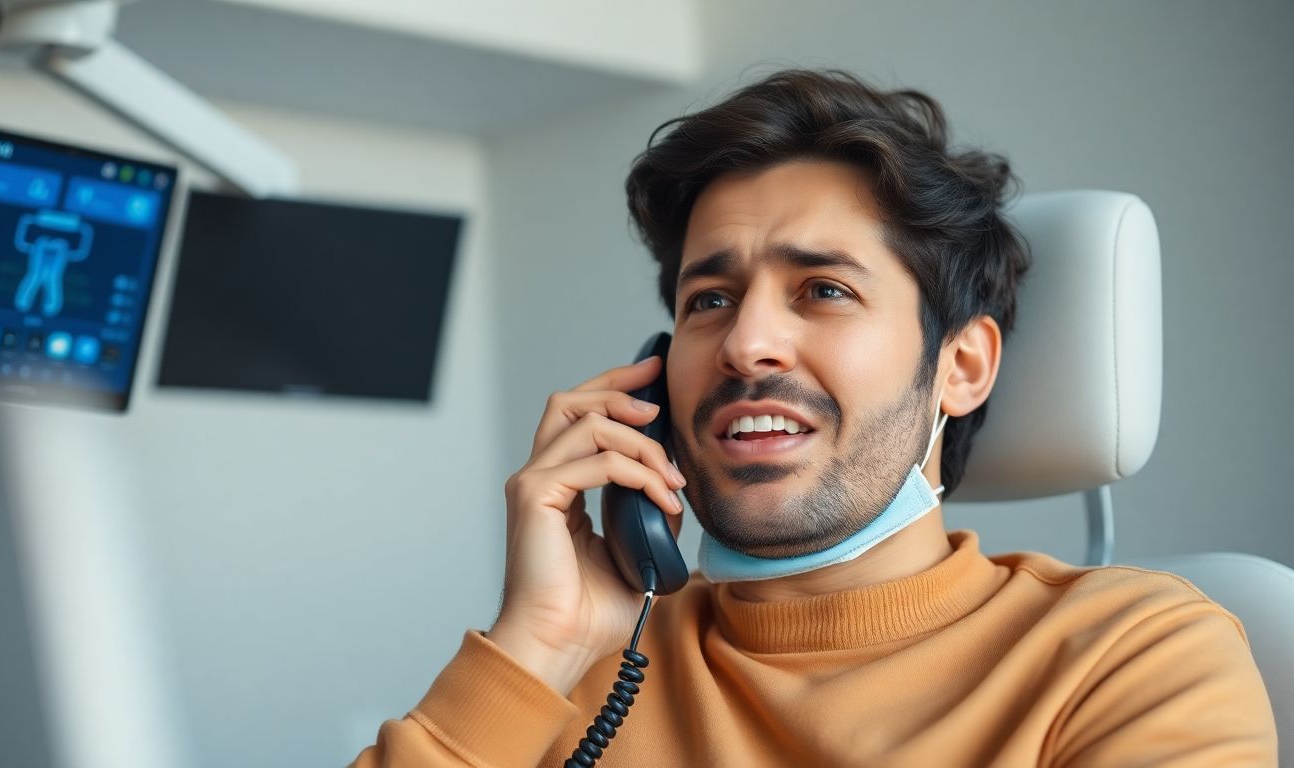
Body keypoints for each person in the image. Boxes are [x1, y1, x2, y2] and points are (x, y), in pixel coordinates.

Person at [352, 70, 1277, 767]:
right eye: (708, 299)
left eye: (823, 289)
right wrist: (538, 644)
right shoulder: (583, 672)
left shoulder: (1134, 655)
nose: (747, 342)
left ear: (960, 366)